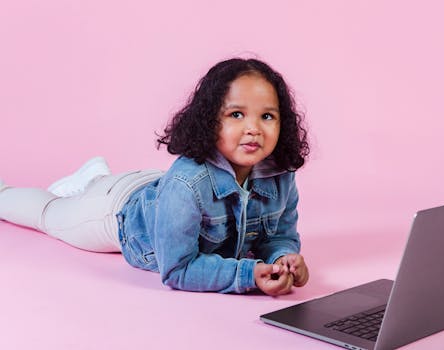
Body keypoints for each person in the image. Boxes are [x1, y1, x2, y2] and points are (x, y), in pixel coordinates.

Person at [0, 58, 310, 296]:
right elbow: (177, 269)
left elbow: (278, 237)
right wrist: (247, 275)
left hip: (157, 190)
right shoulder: (186, 184)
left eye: (267, 116)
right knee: (50, 214)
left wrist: (285, 258)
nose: (254, 128)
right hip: (114, 210)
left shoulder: (280, 174)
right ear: (209, 121)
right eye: (236, 114)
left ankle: (94, 177)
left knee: (157, 190)